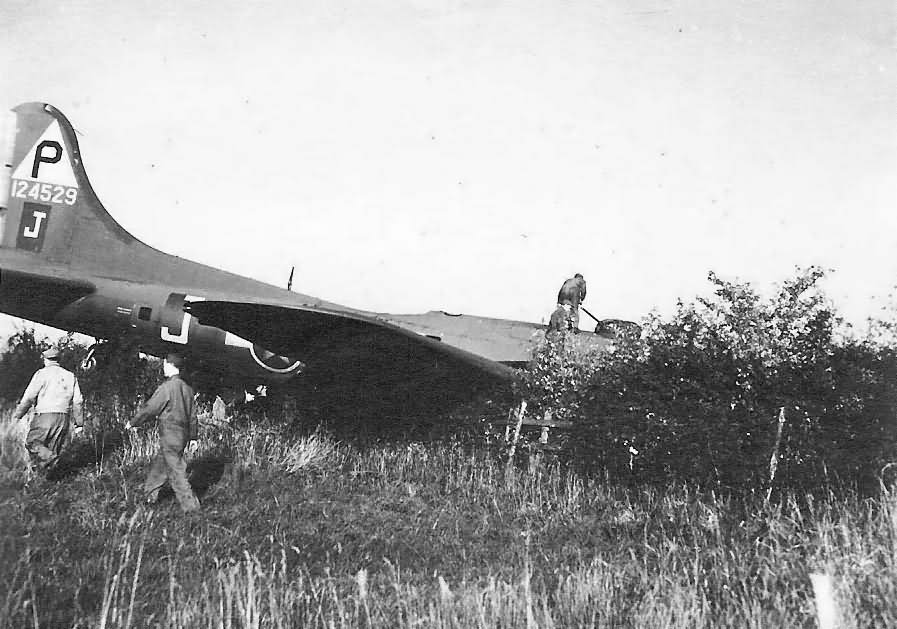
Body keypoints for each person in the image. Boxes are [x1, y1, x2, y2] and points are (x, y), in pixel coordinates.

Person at [126, 353, 200, 512]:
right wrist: (193, 437)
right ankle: (149, 496)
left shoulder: (167, 387)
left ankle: (192, 508)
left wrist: (134, 422)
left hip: (170, 433)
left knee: (176, 471)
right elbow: (193, 416)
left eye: (165, 364)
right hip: (183, 434)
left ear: (171, 365)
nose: (163, 367)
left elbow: (151, 408)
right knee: (161, 464)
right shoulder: (188, 389)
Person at [13, 347, 84, 474]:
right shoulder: (70, 376)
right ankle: (48, 481)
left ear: (45, 359)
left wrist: (18, 415)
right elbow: (78, 401)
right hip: (64, 418)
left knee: (32, 443)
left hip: (44, 416)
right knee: (52, 448)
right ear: (59, 360)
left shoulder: (41, 374)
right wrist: (79, 423)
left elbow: (29, 397)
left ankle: (52, 461)